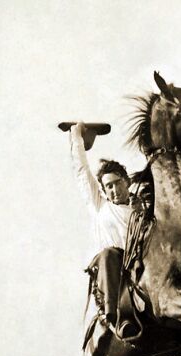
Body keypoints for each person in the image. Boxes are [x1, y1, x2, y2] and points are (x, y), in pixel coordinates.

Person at [69, 122, 132, 329]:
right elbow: (81, 171)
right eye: (108, 186)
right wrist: (76, 136)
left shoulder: (141, 210)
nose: (114, 190)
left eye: (117, 183)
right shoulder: (101, 206)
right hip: (112, 270)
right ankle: (111, 314)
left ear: (127, 182)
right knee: (109, 254)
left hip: (138, 266)